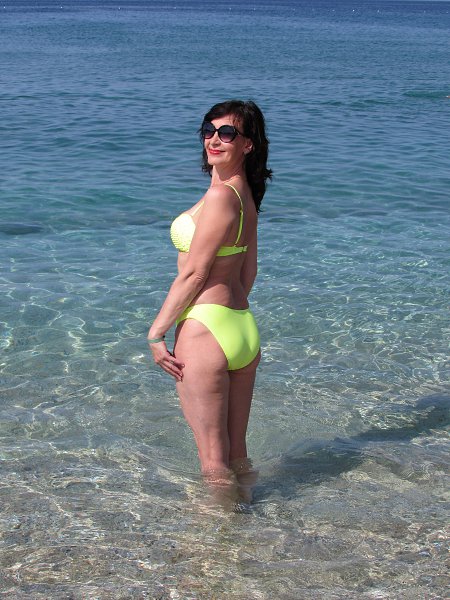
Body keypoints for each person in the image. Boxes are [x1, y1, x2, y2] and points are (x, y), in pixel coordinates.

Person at [147, 100, 272, 502]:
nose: (214, 139)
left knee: (213, 464)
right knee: (237, 457)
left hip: (206, 331)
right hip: (241, 327)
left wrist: (156, 333)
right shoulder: (245, 194)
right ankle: (254, 526)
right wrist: (226, 314)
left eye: (227, 133)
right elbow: (249, 271)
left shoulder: (221, 197)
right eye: (208, 130)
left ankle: (216, 539)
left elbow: (194, 274)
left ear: (248, 144)